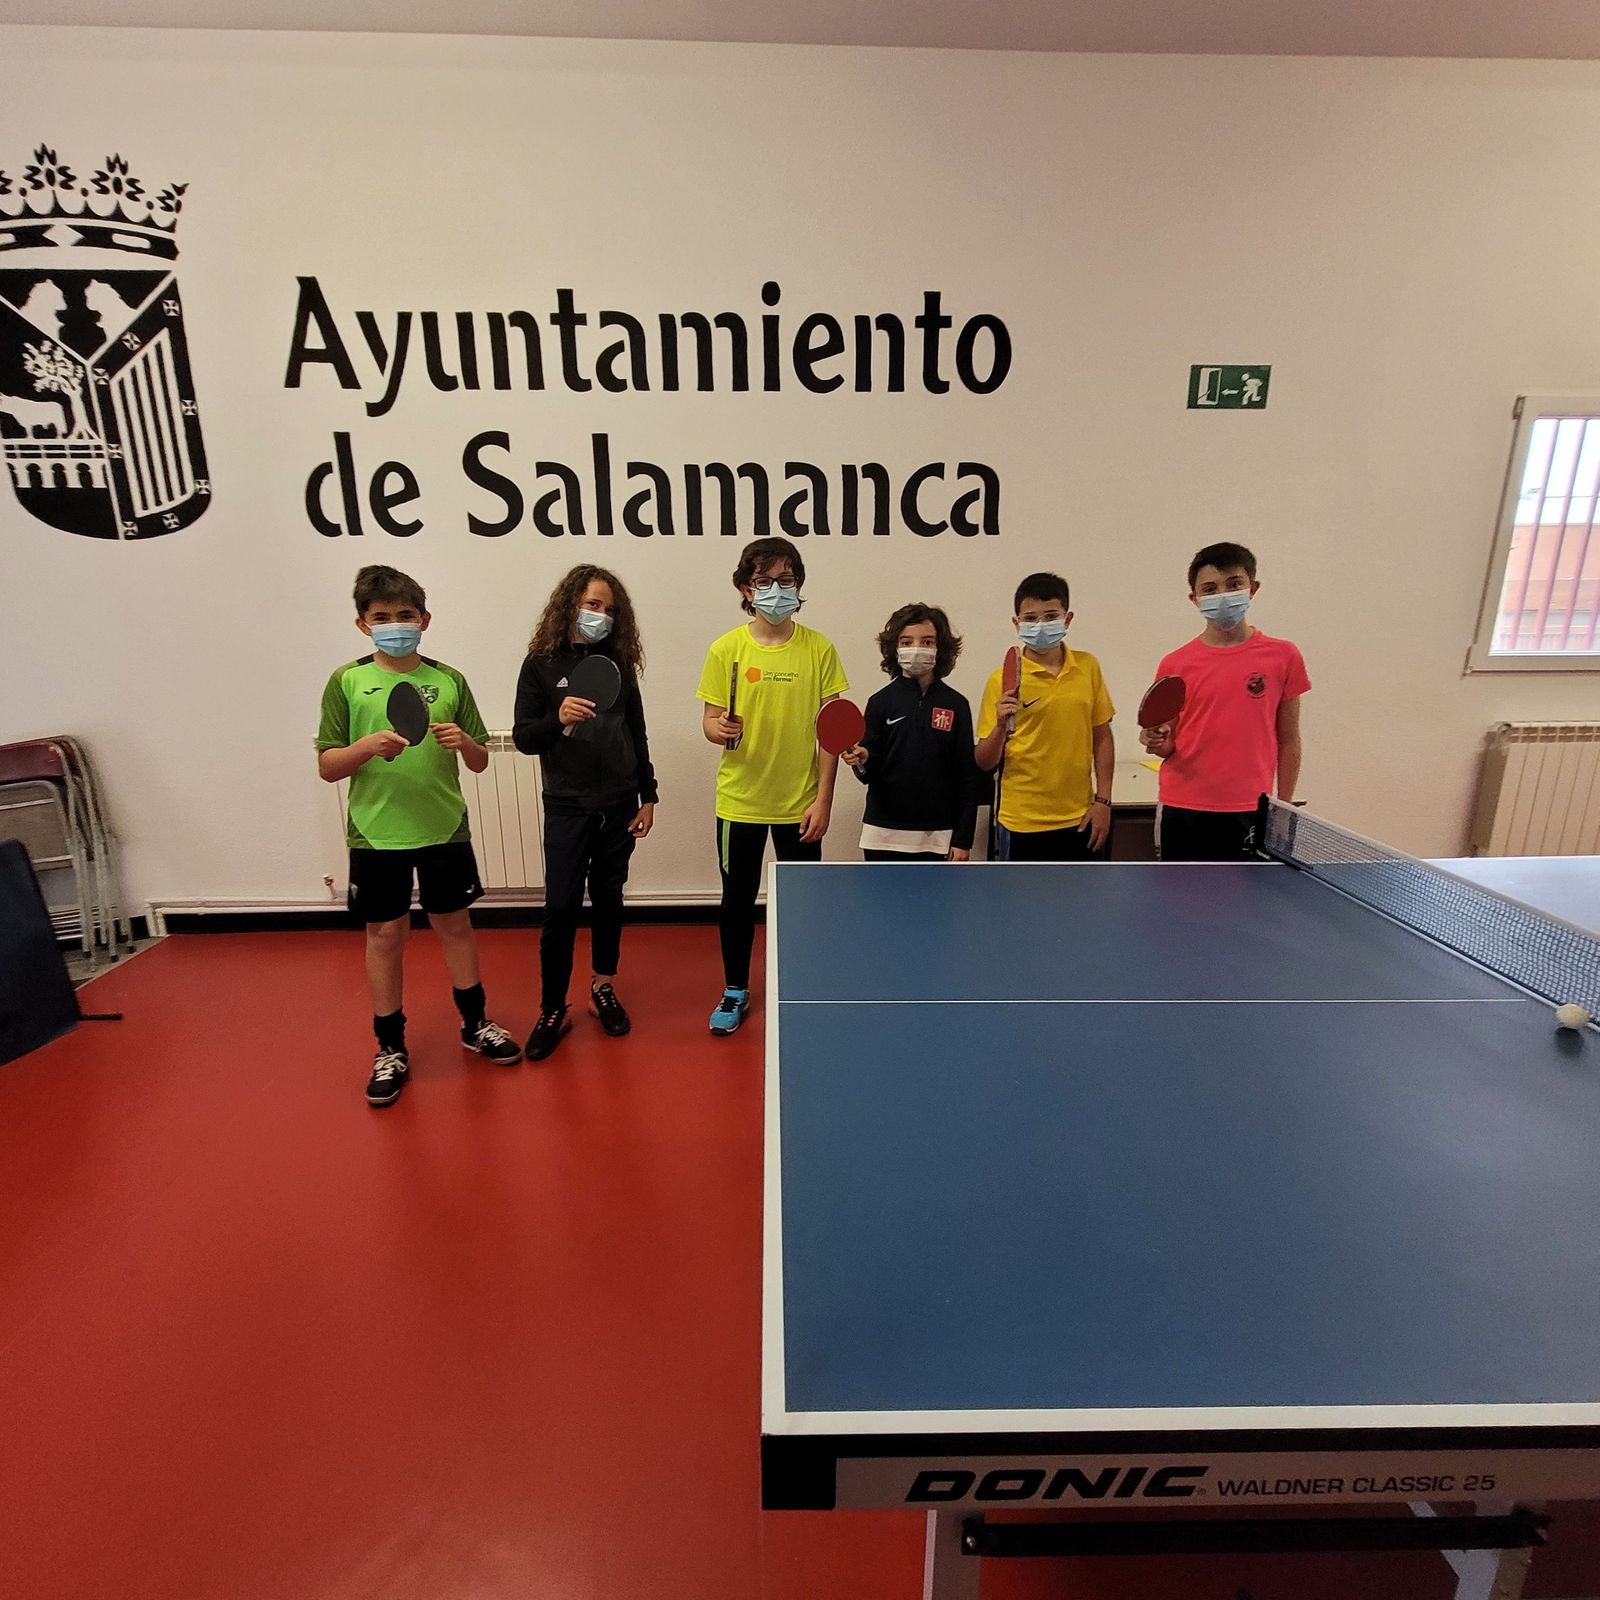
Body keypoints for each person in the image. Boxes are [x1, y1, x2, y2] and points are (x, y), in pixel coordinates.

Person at [316, 564, 522, 1107]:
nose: (395, 625)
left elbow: (479, 761)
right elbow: (328, 766)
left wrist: (464, 743)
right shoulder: (346, 681)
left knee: (455, 926)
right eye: (381, 617)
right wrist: (365, 748)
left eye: (405, 615)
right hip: (376, 834)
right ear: (363, 624)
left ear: (424, 619)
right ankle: (390, 1048)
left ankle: (476, 1024)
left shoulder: (450, 679)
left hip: (443, 827)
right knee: (385, 937)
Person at [696, 536, 847, 1035]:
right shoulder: (725, 648)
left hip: (800, 802)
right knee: (736, 899)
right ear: (746, 588)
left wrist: (823, 798)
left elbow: (832, 731)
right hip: (739, 801)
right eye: (765, 581)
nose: (776, 590)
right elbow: (710, 720)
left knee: (803, 901)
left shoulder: (819, 648)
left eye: (786, 581)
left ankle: (801, 983)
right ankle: (735, 988)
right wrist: (719, 728)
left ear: (799, 586)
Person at [512, 565, 657, 1060]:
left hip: (618, 803)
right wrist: (558, 717)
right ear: (570, 604)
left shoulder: (618, 664)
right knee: (560, 908)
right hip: (568, 806)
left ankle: (603, 987)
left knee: (610, 898)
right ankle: (553, 1008)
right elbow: (526, 738)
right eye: (593, 605)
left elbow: (636, 733)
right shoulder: (540, 665)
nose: (601, 616)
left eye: (610, 610)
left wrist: (648, 795)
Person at [1140, 542, 1309, 860]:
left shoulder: (1284, 656)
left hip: (1250, 807)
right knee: (1179, 907)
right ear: (1195, 599)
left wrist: (1283, 807)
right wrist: (1154, 739)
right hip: (1182, 806)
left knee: (1246, 907)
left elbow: (1289, 740)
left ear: (1252, 588)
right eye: (1210, 589)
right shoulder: (1175, 664)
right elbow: (1167, 744)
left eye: (1233, 585)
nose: (1222, 595)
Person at [975, 572, 1115, 861]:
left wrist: (1103, 801)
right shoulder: (1000, 680)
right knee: (1023, 907)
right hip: (1021, 821)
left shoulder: (1088, 667)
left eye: (1051, 616)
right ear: (1017, 623)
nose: (1040, 625)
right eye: (1030, 618)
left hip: (1081, 817)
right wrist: (1001, 726)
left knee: (1083, 905)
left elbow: (1102, 736)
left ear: (1067, 618)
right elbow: (983, 761)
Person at [842, 603, 980, 861]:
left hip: (939, 837)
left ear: (941, 648)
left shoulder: (956, 705)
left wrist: (963, 839)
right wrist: (861, 761)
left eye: (927, 642)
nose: (917, 649)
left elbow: (966, 777)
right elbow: (869, 772)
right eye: (907, 642)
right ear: (894, 649)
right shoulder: (880, 702)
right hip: (882, 835)